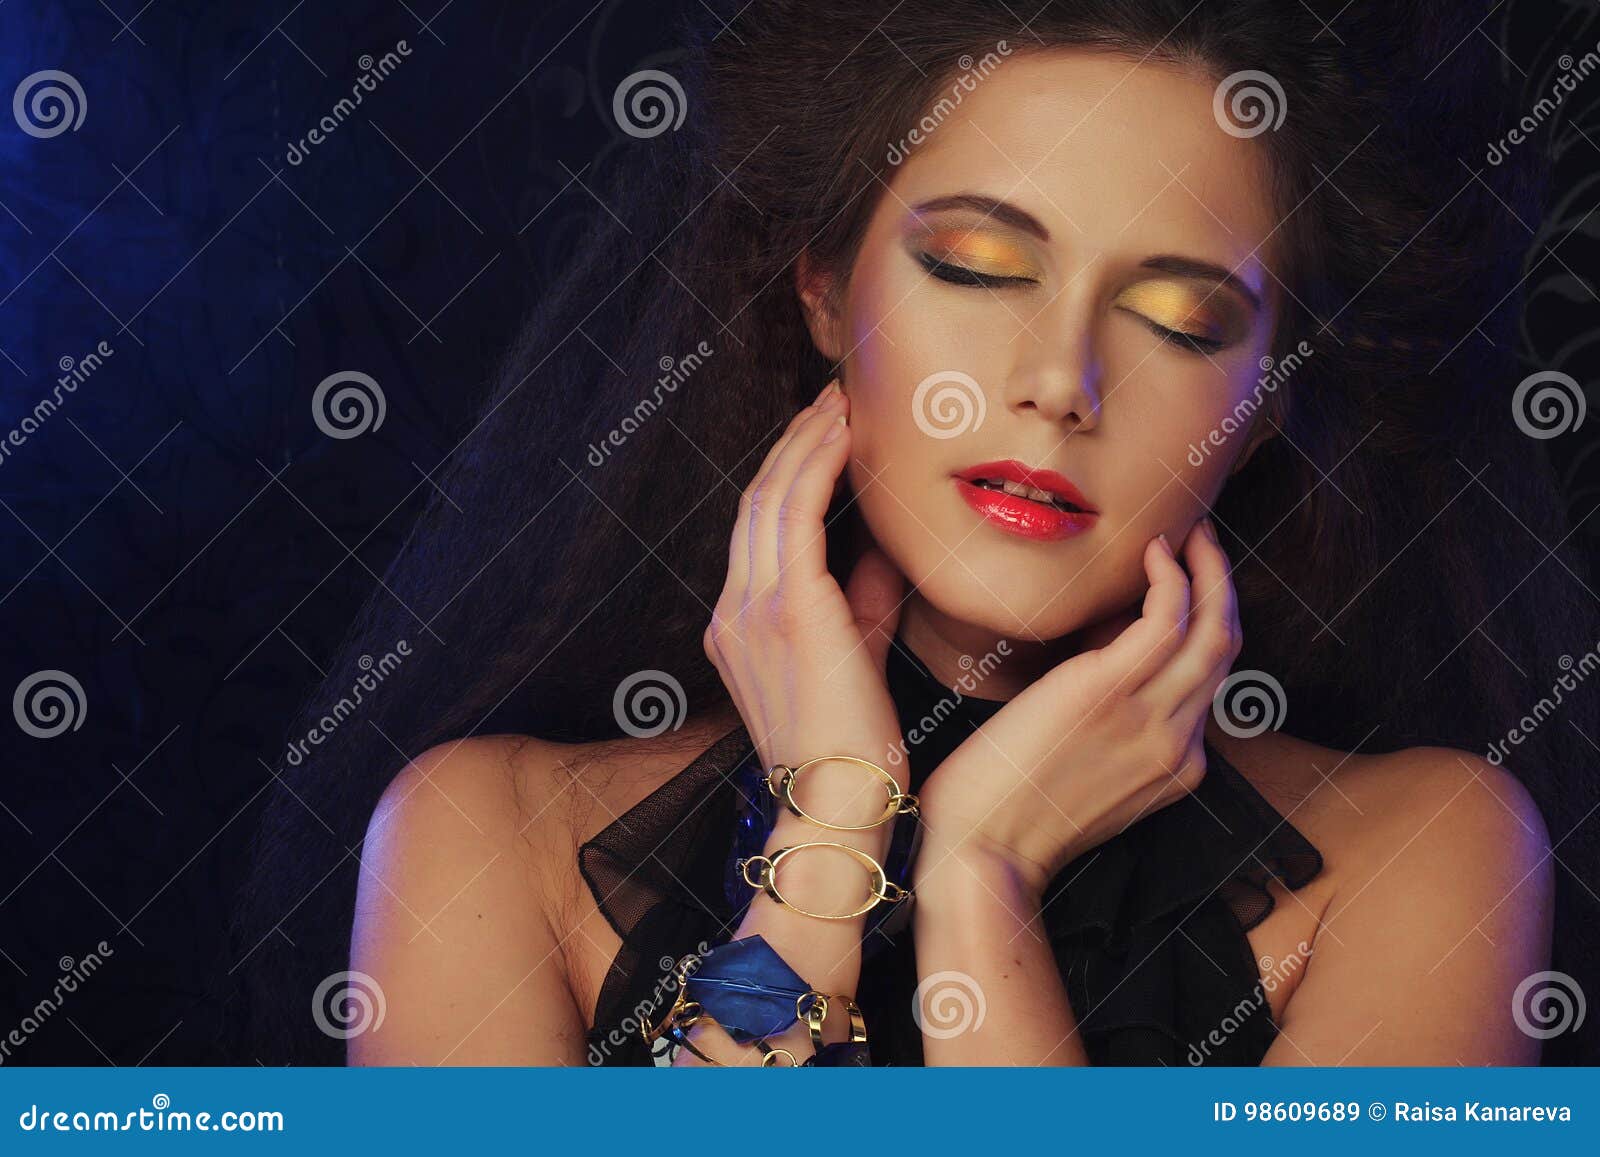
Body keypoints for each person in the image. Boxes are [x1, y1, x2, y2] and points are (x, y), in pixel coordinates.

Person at [235, 0, 1600, 1066]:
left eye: (1182, 319)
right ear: (825, 289)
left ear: (1265, 402)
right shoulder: (483, 833)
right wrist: (829, 838)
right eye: (979, 267)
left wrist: (980, 880)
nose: (1061, 380)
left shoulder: (1431, 857)